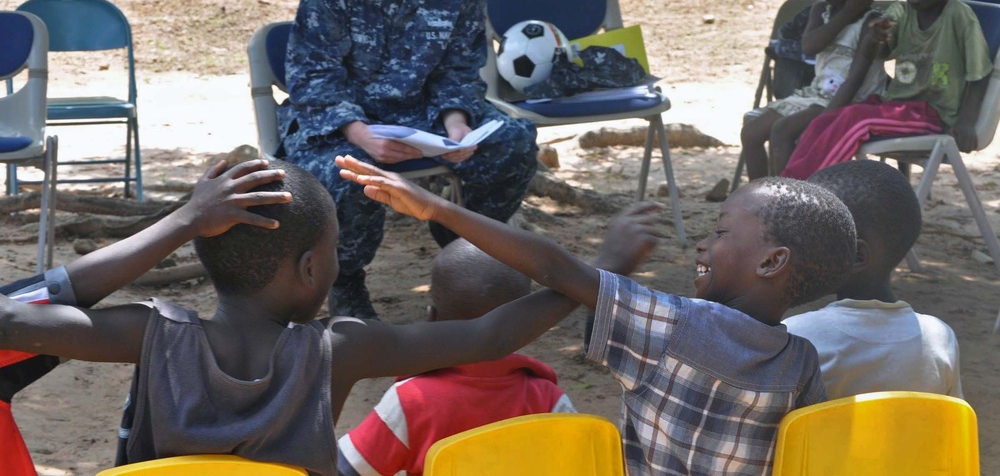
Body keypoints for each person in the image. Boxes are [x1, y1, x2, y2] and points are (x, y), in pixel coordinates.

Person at [0, 160, 654, 475]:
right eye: (336, 250)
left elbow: (11, 318)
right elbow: (492, 336)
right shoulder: (340, 349)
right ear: (313, 270)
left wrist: (181, 223)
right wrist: (600, 272)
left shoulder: (148, 333)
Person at [337, 155, 859, 475]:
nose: (703, 243)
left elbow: (551, 267)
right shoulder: (801, 363)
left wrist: (438, 209)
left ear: (772, 261)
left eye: (721, 233)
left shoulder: (673, 327)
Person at [277, 0, 538, 319]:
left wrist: (456, 126)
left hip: (422, 116)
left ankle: (462, 246)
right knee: (350, 173)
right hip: (340, 122)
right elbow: (312, 75)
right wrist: (361, 134)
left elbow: (460, 71)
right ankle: (347, 283)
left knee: (513, 142)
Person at [0, 159, 292, 476]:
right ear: (309, 269)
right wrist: (188, 219)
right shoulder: (335, 348)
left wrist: (190, 219)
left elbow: (58, 295)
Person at [337, 238, 581, 476]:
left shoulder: (412, 400)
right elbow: (580, 463)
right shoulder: (548, 400)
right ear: (528, 329)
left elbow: (345, 467)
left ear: (432, 319)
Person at [782, 0, 993, 179]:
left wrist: (967, 121)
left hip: (933, 114)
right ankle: (791, 185)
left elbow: (980, 72)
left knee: (855, 122)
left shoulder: (959, 16)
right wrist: (874, 39)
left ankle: (806, 189)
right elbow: (881, 50)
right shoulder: (901, 12)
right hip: (895, 106)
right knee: (826, 119)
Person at [784, 159, 963, 399]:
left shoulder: (797, 337)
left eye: (808, 237)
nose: (793, 247)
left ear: (857, 256)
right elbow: (953, 423)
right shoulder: (938, 338)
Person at [740, 0, 887, 179]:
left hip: (852, 102)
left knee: (783, 131)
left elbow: (857, 79)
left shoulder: (870, 21)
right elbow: (810, 46)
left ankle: (790, 203)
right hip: (817, 95)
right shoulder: (821, 10)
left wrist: (830, 113)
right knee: (751, 133)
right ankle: (761, 201)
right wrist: (846, 13)